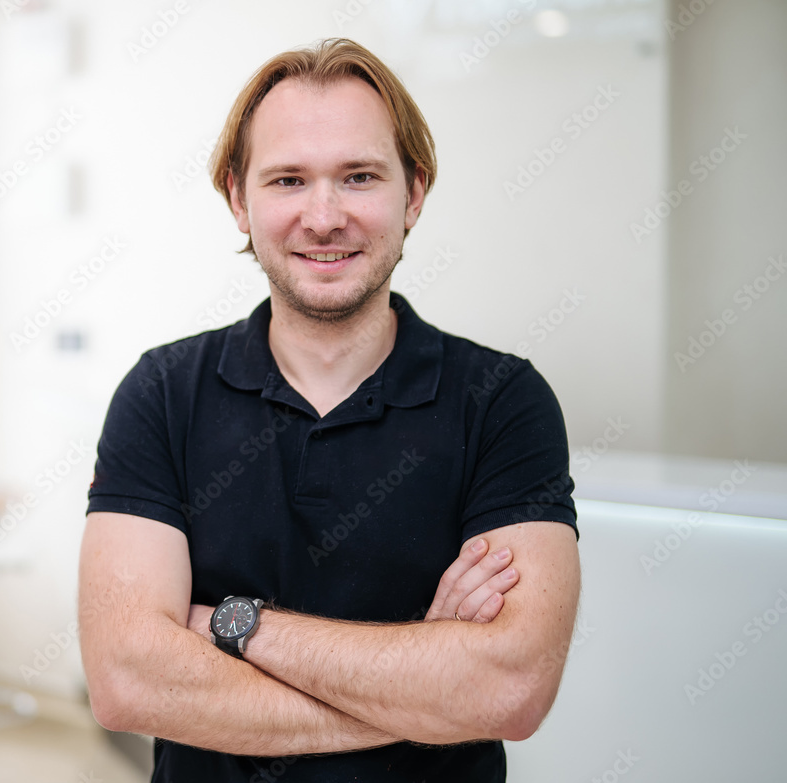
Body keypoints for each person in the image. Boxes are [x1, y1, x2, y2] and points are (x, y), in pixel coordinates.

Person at [79, 37, 580, 783]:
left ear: (413, 192)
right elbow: (126, 680)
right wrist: (422, 687)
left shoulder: (504, 400)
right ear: (238, 199)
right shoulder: (162, 392)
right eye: (288, 179)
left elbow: (507, 688)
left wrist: (229, 623)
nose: (324, 216)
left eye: (358, 176)